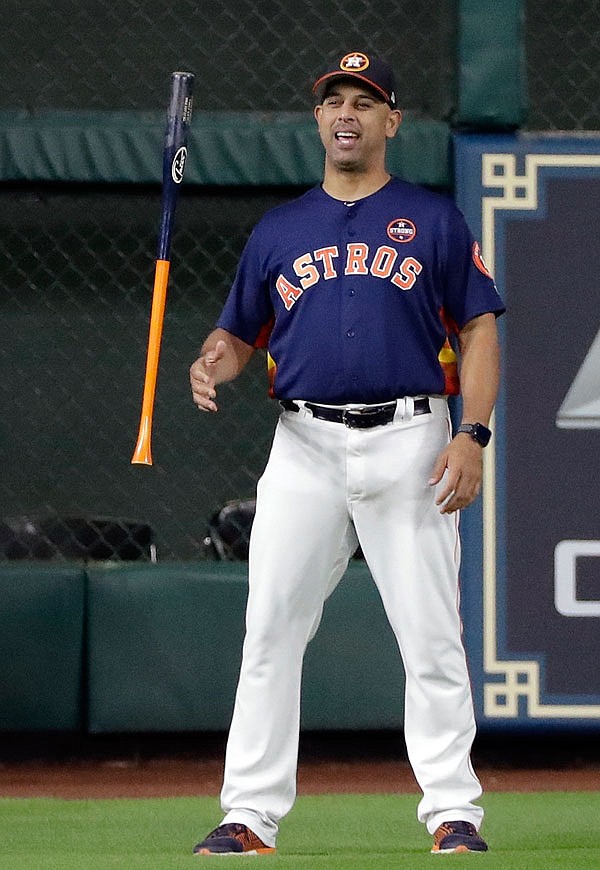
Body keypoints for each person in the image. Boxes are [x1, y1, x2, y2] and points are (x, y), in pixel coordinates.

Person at [189, 51, 505, 856]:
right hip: (303, 447)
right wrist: (213, 360)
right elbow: (237, 334)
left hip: (412, 438)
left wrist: (472, 432)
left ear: (391, 121)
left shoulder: (432, 219)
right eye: (333, 100)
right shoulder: (280, 229)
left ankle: (452, 810)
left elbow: (478, 329)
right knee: (269, 630)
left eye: (364, 101)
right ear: (319, 117)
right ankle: (249, 815)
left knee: (431, 634)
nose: (346, 114)